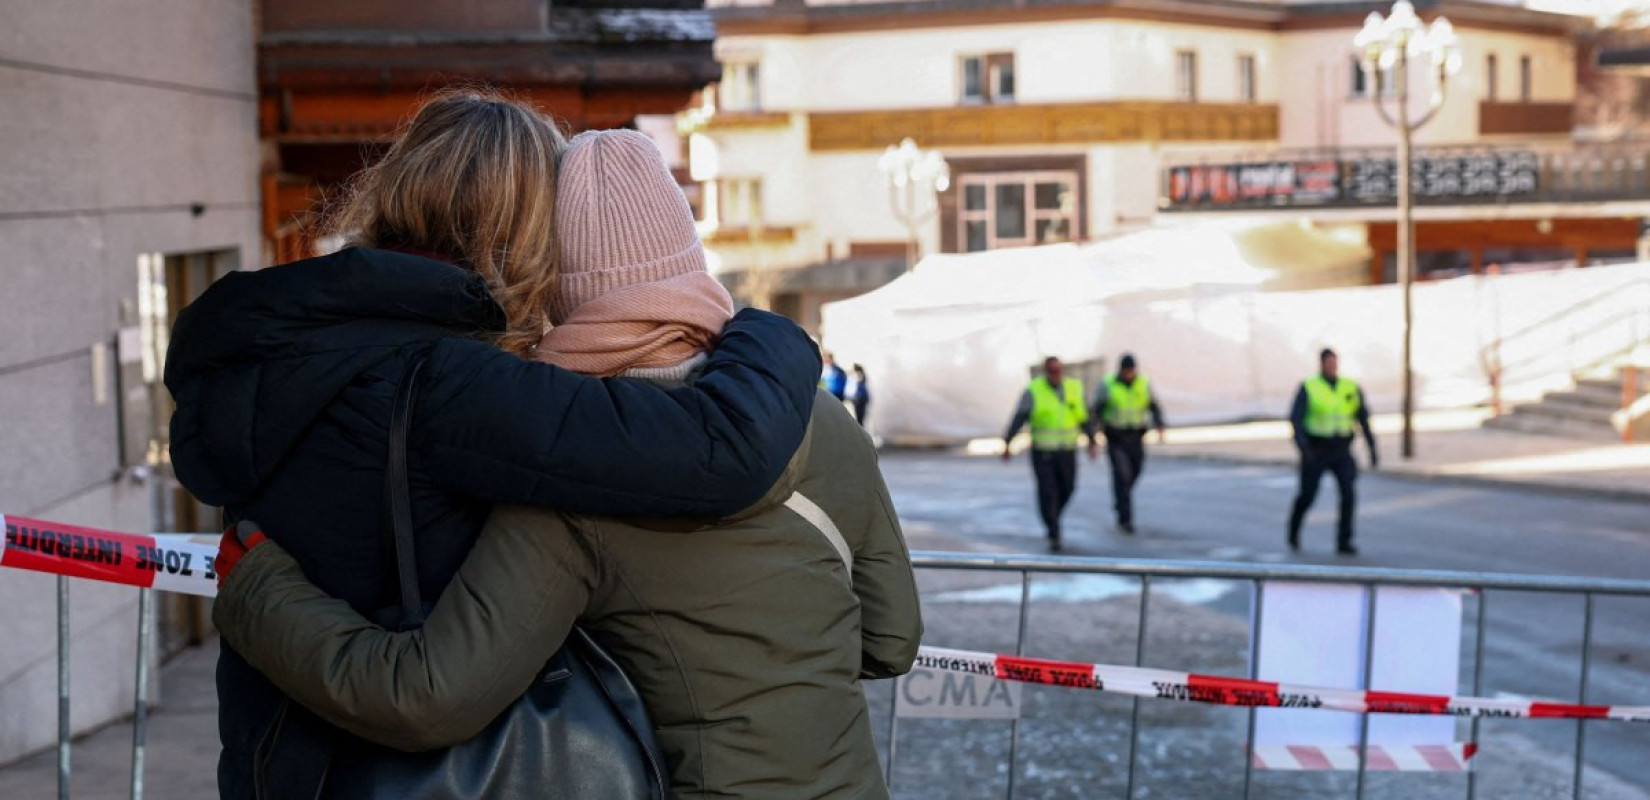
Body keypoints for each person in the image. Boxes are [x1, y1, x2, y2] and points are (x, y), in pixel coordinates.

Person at [210, 129, 922, 800]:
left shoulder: (567, 481)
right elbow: (892, 642)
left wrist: (259, 589)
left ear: (558, 282)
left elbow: (427, 697)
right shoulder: (819, 417)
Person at [1286, 348, 1378, 556]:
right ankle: (1294, 531)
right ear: (1321, 363)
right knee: (1307, 495)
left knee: (1348, 494)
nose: (1332, 366)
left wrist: (1372, 448)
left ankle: (1344, 541)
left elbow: (1362, 418)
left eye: (1334, 362)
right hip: (1316, 450)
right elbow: (1296, 418)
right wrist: (1303, 447)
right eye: (1328, 362)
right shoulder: (1310, 386)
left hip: (1341, 450)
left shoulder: (1350, 386)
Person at [1002, 356, 1097, 551]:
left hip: (1066, 450)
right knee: (1047, 492)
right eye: (1052, 371)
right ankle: (1054, 531)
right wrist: (1008, 442)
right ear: (1046, 372)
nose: (1056, 374)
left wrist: (1092, 440)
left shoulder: (1074, 388)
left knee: (1068, 488)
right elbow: (1020, 416)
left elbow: (1083, 416)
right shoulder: (1034, 390)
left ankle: (1053, 516)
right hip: (1043, 452)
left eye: (1058, 370)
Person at [1092, 353, 1166, 534]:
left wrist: (1159, 425)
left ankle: (1120, 499)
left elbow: (1153, 405)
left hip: (1136, 436)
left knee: (1135, 471)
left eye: (1131, 370)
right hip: (1116, 438)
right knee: (1122, 475)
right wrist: (1092, 435)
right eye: (1126, 370)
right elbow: (1097, 410)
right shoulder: (1108, 384)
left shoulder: (1143, 383)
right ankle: (1125, 519)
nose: (1129, 374)